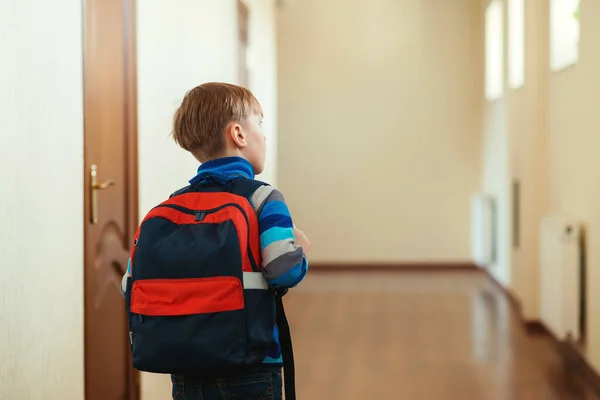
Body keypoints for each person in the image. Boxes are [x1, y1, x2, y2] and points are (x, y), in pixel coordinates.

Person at [122, 82, 309, 400]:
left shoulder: (172, 206)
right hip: (253, 365)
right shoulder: (264, 198)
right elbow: (283, 270)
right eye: (259, 125)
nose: (264, 135)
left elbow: (130, 284)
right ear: (239, 134)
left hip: (183, 369)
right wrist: (299, 249)